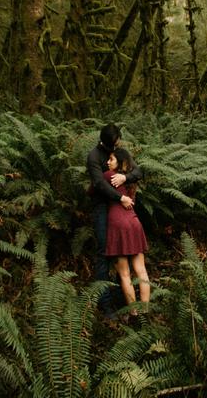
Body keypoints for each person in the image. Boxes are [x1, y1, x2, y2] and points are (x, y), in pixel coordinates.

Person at [86, 123, 142, 316]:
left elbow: (138, 172)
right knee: (104, 252)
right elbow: (98, 184)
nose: (118, 145)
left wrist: (125, 178)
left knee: (122, 251)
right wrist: (120, 197)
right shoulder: (94, 157)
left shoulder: (120, 152)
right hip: (103, 208)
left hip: (120, 210)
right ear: (107, 142)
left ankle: (122, 299)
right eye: (115, 143)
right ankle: (105, 303)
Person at [103, 147, 151, 316]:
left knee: (124, 274)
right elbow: (138, 172)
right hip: (134, 223)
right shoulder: (131, 180)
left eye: (111, 159)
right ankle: (145, 312)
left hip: (118, 225)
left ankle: (134, 314)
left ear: (120, 162)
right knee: (141, 270)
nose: (107, 162)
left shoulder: (109, 176)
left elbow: (93, 189)